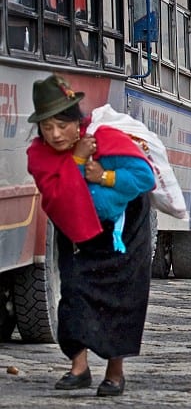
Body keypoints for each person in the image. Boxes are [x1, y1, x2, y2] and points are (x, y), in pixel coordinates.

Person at [26, 75, 156, 397]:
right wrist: (78, 159)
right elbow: (58, 195)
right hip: (76, 233)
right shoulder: (40, 157)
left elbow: (143, 177)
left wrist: (106, 176)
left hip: (122, 233)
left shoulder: (106, 139)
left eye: (61, 125)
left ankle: (115, 372)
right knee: (74, 295)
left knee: (121, 301)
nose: (54, 135)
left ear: (77, 121)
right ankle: (79, 368)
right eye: (46, 128)